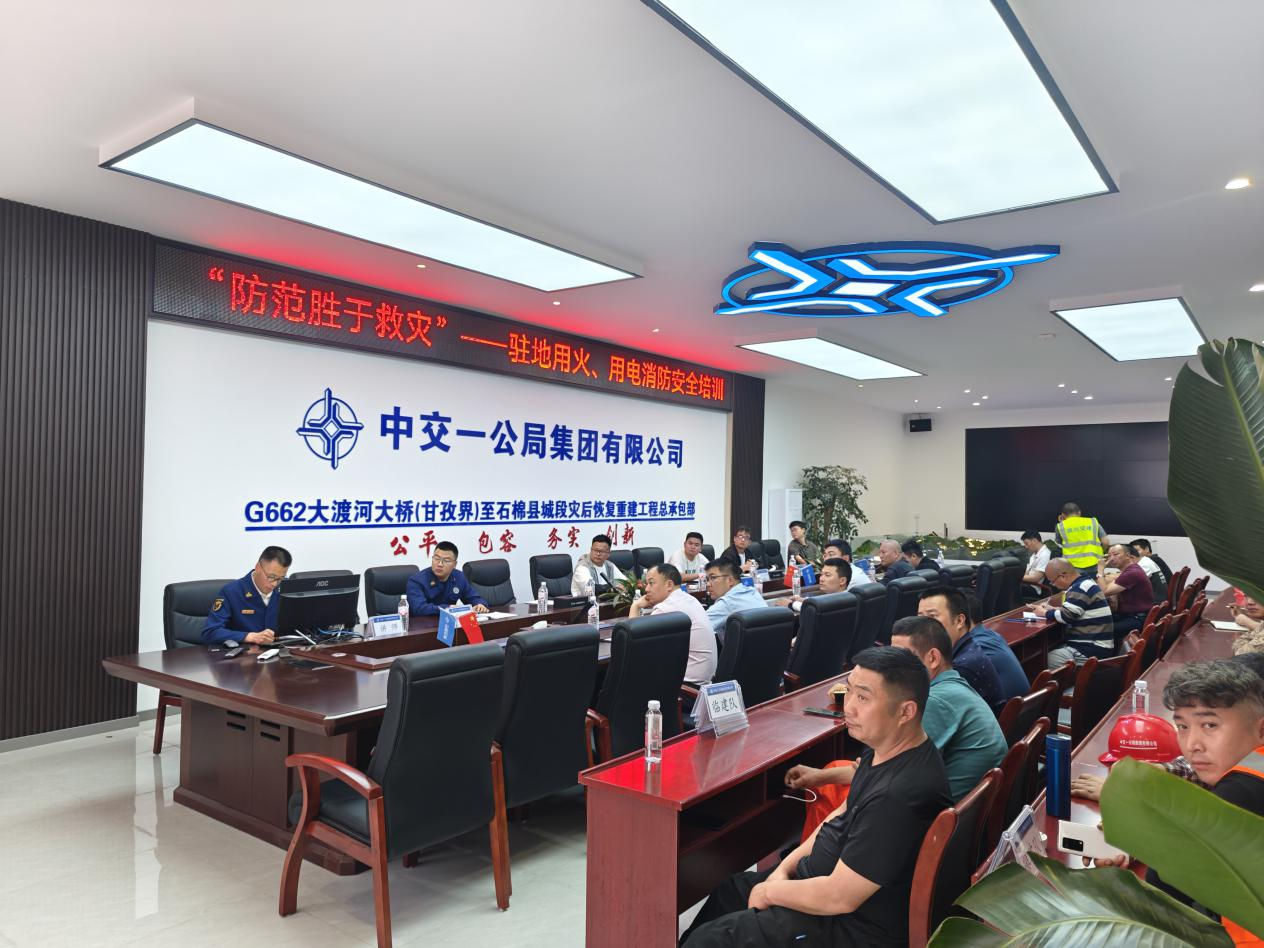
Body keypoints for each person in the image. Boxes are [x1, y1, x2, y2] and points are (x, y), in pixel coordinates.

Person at [680, 647, 951, 947]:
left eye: (863, 698)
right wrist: (785, 868)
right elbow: (840, 814)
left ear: (906, 712)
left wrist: (771, 892)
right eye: (849, 691)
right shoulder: (885, 750)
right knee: (730, 892)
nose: (849, 707)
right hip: (822, 889)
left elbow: (840, 897)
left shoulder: (899, 796)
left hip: (850, 926)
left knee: (711, 940)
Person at [1084, 661, 1264, 945]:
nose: (1192, 744)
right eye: (1182, 726)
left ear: (1260, 729)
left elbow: (1161, 894)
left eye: (1210, 725)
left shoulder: (1241, 792)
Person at [629, 563, 716, 685]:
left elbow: (634, 645)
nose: (647, 589)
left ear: (669, 585)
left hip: (686, 686)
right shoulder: (690, 599)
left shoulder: (666, 608)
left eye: (651, 583)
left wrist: (635, 606)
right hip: (704, 682)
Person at [916, 588, 1005, 708]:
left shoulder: (962, 667)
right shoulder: (967, 648)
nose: (923, 625)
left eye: (932, 616)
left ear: (959, 621)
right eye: (920, 617)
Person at [202, 546, 293, 646]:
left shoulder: (287, 590)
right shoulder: (231, 592)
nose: (275, 584)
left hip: (280, 651)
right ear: (258, 567)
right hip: (243, 653)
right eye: (271, 577)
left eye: (281, 578)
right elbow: (210, 632)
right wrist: (249, 637)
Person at [1035, 557, 1114, 668]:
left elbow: (1067, 616)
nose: (1053, 584)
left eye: (1052, 581)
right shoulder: (1085, 583)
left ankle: (1075, 679)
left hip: (1091, 649)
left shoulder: (1080, 588)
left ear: (1063, 576)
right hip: (1093, 645)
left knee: (1045, 660)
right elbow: (1074, 611)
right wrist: (1052, 609)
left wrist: (1044, 613)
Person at [961, 591, 1030, 706]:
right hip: (1023, 711)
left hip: (1006, 715)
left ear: (960, 620)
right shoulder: (992, 635)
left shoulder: (974, 649)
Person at [406, 541, 488, 616]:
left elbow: (473, 597)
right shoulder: (416, 581)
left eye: (446, 561)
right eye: (436, 558)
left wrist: (480, 605)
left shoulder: (459, 577)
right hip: (423, 624)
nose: (440, 564)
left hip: (450, 623)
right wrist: (447, 608)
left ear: (455, 564)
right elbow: (419, 609)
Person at [1097, 543, 1154, 644]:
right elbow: (1108, 587)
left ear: (1128, 556)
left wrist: (1100, 570)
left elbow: (1104, 591)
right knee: (1096, 621)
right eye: (1109, 556)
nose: (1111, 559)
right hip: (1131, 614)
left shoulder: (1132, 572)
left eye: (1115, 554)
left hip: (1137, 618)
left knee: (1099, 629)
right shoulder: (1130, 569)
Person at [704, 559, 766, 641]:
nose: (708, 584)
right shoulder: (753, 592)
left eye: (713, 578)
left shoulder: (727, 603)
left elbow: (697, 628)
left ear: (730, 580)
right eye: (707, 579)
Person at [771, 557, 850, 613]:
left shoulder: (844, 603)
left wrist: (791, 604)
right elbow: (821, 603)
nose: (821, 579)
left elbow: (818, 610)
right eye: (821, 574)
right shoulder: (846, 597)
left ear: (842, 581)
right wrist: (804, 600)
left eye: (827, 575)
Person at [1054, 502, 1109, 577]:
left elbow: (1059, 544)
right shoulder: (1092, 522)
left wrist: (1062, 522)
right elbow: (1106, 542)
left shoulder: (1060, 526)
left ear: (1063, 515)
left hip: (1073, 567)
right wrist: (1099, 551)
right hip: (1094, 565)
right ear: (1079, 512)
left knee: (1077, 585)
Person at [571, 534, 628, 598]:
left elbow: (625, 583)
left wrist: (622, 586)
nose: (598, 554)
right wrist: (612, 588)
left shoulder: (610, 566)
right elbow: (589, 589)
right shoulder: (582, 566)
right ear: (591, 550)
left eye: (601, 551)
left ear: (608, 553)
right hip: (584, 603)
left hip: (606, 602)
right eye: (595, 550)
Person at [1020, 530, 1051, 597]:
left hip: (1034, 588)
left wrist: (1017, 577)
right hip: (1027, 584)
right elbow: (1026, 572)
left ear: (1034, 540)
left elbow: (1035, 578)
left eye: (1026, 543)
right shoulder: (1034, 554)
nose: (1026, 546)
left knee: (1010, 587)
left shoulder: (1045, 555)